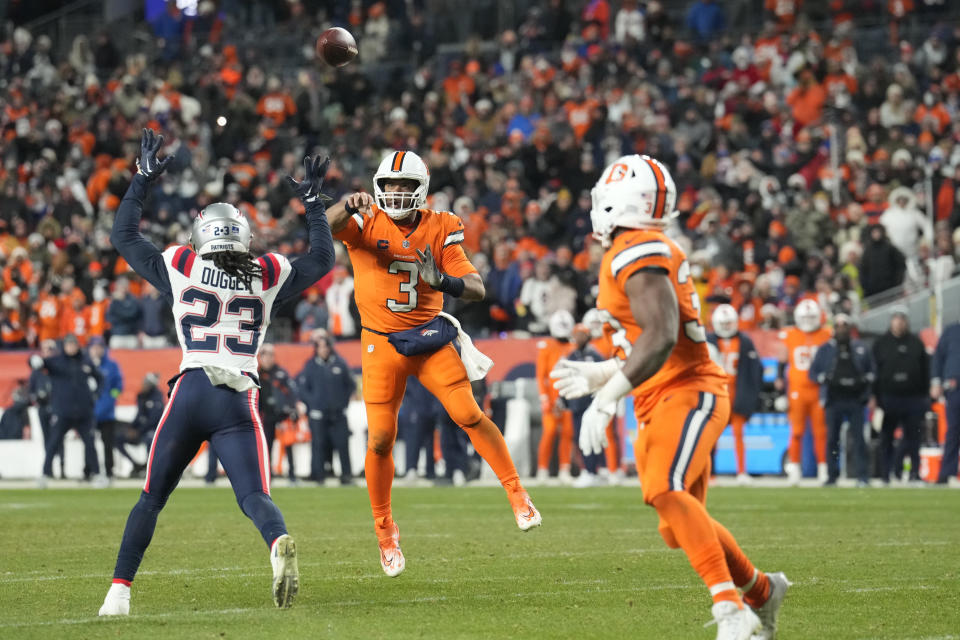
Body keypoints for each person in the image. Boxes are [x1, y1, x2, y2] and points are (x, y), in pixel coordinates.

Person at [98, 130, 335, 615]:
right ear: (243, 236)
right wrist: (313, 204)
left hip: (190, 390)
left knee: (150, 499)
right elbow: (322, 259)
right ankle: (276, 543)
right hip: (238, 395)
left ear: (201, 235)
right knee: (253, 495)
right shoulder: (267, 272)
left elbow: (123, 236)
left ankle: (118, 593)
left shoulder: (181, 263)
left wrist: (141, 180)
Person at [551, 154, 787, 639]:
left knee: (664, 489)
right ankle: (761, 591)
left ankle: (731, 611)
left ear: (620, 201)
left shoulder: (635, 248)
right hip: (663, 390)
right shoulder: (635, 248)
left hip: (687, 388)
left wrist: (606, 397)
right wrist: (603, 375)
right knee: (677, 522)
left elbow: (660, 336)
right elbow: (651, 339)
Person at [325, 149, 541, 578]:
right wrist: (344, 203)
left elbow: (477, 287)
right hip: (381, 342)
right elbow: (325, 224)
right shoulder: (365, 221)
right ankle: (385, 532)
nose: (397, 193)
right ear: (378, 188)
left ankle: (517, 492)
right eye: (390, 185)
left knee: (467, 412)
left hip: (427, 336)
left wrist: (442, 280)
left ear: (420, 189)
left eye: (406, 186)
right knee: (382, 438)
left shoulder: (442, 225)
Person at [809, 315, 876, 487]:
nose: (841, 329)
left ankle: (862, 475)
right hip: (834, 399)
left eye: (844, 325)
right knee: (832, 438)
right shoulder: (825, 349)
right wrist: (824, 378)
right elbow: (813, 373)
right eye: (838, 325)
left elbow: (872, 371)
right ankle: (832, 475)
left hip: (855, 399)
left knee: (859, 439)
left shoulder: (860, 347)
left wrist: (866, 384)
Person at [32, 333, 102, 485]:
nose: (71, 347)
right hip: (62, 411)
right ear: (64, 346)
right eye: (68, 344)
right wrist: (34, 360)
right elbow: (39, 363)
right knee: (53, 443)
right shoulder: (56, 361)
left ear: (77, 345)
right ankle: (45, 474)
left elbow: (100, 378)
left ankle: (98, 474)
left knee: (90, 444)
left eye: (73, 344)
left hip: (83, 412)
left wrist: (96, 395)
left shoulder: (85, 361)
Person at [872, 309, 929, 484]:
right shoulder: (881, 344)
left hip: (913, 398)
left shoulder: (916, 343)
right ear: (891, 321)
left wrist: (924, 396)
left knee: (914, 438)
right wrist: (875, 397)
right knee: (886, 438)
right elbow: (874, 372)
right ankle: (885, 474)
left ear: (906, 321)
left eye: (902, 319)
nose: (899, 323)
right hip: (889, 398)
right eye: (896, 319)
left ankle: (914, 473)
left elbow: (925, 371)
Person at [708, 304, 763, 484]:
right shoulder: (707, 341)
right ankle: (709, 473)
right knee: (711, 437)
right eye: (722, 324)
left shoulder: (744, 341)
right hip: (716, 392)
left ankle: (741, 471)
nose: (725, 327)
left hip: (736, 392)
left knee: (738, 434)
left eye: (728, 323)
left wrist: (751, 395)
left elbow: (755, 370)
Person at [779, 299, 831, 484]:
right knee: (797, 431)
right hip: (797, 391)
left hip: (818, 390)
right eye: (805, 317)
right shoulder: (790, 334)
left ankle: (824, 468)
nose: (808, 321)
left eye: (811, 317)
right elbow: (782, 360)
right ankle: (794, 469)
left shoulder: (826, 334)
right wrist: (780, 391)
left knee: (821, 432)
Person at [296, 334, 355, 484]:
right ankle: (318, 475)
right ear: (316, 349)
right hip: (318, 414)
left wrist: (343, 403)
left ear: (330, 347)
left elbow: (351, 385)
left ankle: (346, 476)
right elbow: (303, 389)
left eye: (325, 346)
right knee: (318, 444)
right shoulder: (310, 365)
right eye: (320, 347)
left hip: (338, 413)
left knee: (342, 444)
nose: (323, 350)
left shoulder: (340, 363)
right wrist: (313, 404)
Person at [565, 322, 609, 488]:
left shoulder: (595, 356)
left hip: (592, 403)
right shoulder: (571, 357)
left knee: (594, 437)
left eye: (582, 334)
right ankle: (589, 471)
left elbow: (605, 377)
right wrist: (564, 400)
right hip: (577, 403)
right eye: (577, 334)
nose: (579, 337)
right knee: (580, 438)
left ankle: (596, 470)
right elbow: (565, 380)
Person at [536, 310, 575, 483]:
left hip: (568, 396)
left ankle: (564, 468)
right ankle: (542, 469)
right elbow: (541, 374)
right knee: (549, 432)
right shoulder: (546, 346)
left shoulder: (573, 347)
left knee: (567, 433)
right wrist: (544, 397)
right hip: (552, 398)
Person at [89, 336, 123, 482]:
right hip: (89, 412)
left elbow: (118, 386)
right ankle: (89, 471)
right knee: (88, 444)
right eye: (94, 347)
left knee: (107, 443)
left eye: (99, 347)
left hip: (107, 412)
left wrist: (111, 399)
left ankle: (109, 471)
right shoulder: (86, 365)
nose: (97, 350)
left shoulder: (111, 366)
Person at [28, 339, 64, 478]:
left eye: (50, 349)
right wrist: (37, 397)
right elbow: (31, 390)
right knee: (47, 438)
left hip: (57, 407)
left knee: (58, 438)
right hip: (43, 408)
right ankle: (49, 470)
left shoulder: (59, 367)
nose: (47, 352)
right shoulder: (37, 370)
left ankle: (62, 468)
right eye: (45, 349)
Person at [930, 321, 960, 485]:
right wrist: (936, 381)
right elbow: (938, 357)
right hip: (955, 389)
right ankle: (947, 472)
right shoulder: (951, 331)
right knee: (953, 431)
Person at [117, 373, 163, 477]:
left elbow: (154, 419)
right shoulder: (141, 396)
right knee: (118, 438)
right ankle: (136, 465)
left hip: (153, 430)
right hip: (141, 430)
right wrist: (132, 428)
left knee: (150, 440)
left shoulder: (157, 398)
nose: (143, 385)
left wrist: (139, 431)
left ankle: (150, 467)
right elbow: (139, 415)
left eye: (146, 384)